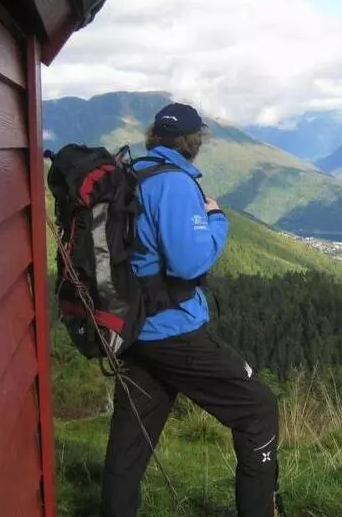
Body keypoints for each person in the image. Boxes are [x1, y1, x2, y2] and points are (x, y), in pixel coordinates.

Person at [100, 102, 283, 517]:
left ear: (154, 137)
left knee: (131, 440)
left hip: (133, 327)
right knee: (258, 408)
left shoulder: (135, 174)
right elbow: (188, 263)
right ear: (194, 142)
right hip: (173, 330)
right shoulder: (175, 183)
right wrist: (217, 220)